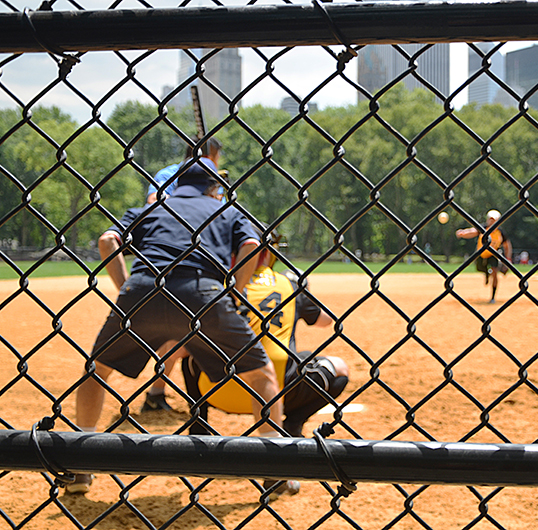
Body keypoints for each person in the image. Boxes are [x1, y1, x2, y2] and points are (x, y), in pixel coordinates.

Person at [69, 158, 282, 495]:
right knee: (261, 374)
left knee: (97, 371)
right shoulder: (225, 210)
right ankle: (275, 468)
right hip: (204, 295)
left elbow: (107, 241)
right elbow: (252, 246)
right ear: (213, 187)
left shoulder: (150, 209)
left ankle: (78, 465)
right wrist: (235, 292)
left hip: (143, 290)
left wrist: (127, 288)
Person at [181, 237, 349, 439]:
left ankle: (200, 425)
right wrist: (304, 291)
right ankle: (292, 425)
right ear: (268, 253)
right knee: (338, 367)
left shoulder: (215, 285)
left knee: (191, 351)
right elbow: (326, 321)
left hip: (217, 392)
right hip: (277, 393)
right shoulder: (288, 285)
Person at [141, 137, 223, 412]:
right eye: (216, 158)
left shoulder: (215, 180)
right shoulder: (168, 175)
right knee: (176, 333)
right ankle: (159, 393)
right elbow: (153, 203)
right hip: (170, 258)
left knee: (186, 333)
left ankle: (160, 393)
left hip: (202, 260)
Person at [455, 210, 512, 304]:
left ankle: (493, 297)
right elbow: (472, 231)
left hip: (493, 254)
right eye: (490, 220)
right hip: (481, 254)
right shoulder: (483, 228)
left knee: (494, 272)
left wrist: (508, 258)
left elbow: (507, 245)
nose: (492, 222)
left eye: (494, 220)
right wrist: (463, 233)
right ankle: (486, 273)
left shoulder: (501, 232)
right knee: (480, 268)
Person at [146, 137, 222, 204]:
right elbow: (153, 199)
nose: (217, 165)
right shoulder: (168, 174)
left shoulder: (215, 180)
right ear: (204, 158)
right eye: (216, 160)